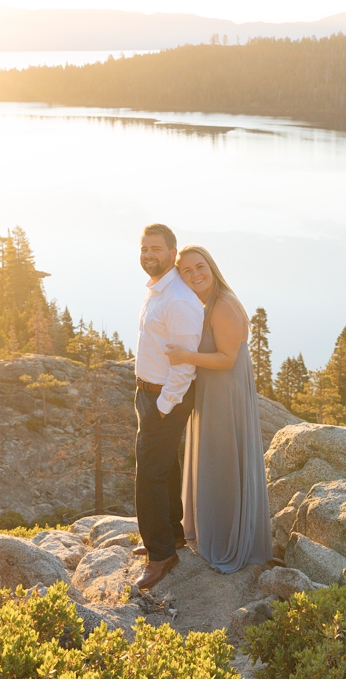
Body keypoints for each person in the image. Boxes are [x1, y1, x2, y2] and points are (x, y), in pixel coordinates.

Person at [164, 245, 274, 573]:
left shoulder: (223, 305)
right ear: (180, 276)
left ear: (211, 268)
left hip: (225, 395)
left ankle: (229, 542)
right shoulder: (205, 303)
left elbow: (226, 360)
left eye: (201, 267)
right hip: (213, 392)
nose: (196, 274)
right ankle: (212, 529)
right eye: (188, 270)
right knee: (215, 460)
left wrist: (186, 357)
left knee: (224, 462)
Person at [133, 223, 204, 590]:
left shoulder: (177, 299)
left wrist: (162, 405)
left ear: (172, 252)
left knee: (148, 476)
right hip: (150, 393)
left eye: (156, 249)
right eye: (144, 248)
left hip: (165, 397)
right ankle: (172, 534)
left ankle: (160, 554)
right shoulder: (160, 289)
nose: (148, 255)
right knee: (164, 468)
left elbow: (186, 365)